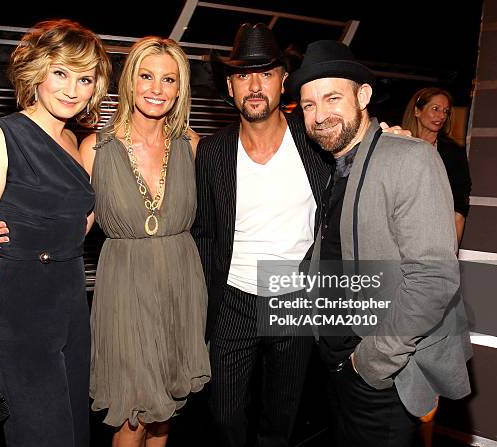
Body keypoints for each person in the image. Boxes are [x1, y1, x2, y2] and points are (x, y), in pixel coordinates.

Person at [286, 39, 472, 447]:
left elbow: (433, 281)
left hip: (379, 370)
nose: (319, 116)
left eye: (332, 98)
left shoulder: (411, 159)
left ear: (363, 96)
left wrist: (372, 361)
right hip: (336, 359)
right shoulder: (335, 162)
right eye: (309, 105)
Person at [0, 19, 111, 447]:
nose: (72, 89)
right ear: (36, 71)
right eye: (60, 73)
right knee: (43, 435)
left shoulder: (72, 142)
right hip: (23, 308)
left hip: (73, 306)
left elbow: (75, 223)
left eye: (84, 78)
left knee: (77, 433)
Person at [192, 23, 332, 447]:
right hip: (232, 297)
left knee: (282, 414)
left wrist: (392, 138)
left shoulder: (315, 143)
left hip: (295, 293)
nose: (254, 85)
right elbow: (203, 231)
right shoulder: (213, 152)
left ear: (283, 79)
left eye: (266, 73)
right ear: (230, 86)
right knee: (224, 414)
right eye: (242, 75)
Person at [79, 36, 211, 447]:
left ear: (180, 88)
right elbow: (72, 227)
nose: (157, 89)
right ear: (130, 81)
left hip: (181, 285)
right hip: (125, 289)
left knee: (165, 408)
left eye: (168, 79)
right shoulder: (95, 149)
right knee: (131, 415)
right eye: (147, 76)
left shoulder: (192, 146)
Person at [402, 87, 472, 245]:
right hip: (398, 234)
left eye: (445, 111)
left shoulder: (453, 153)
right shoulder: (396, 145)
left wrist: (452, 251)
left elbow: (459, 207)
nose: (441, 116)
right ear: (417, 111)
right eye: (436, 109)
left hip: (434, 237)